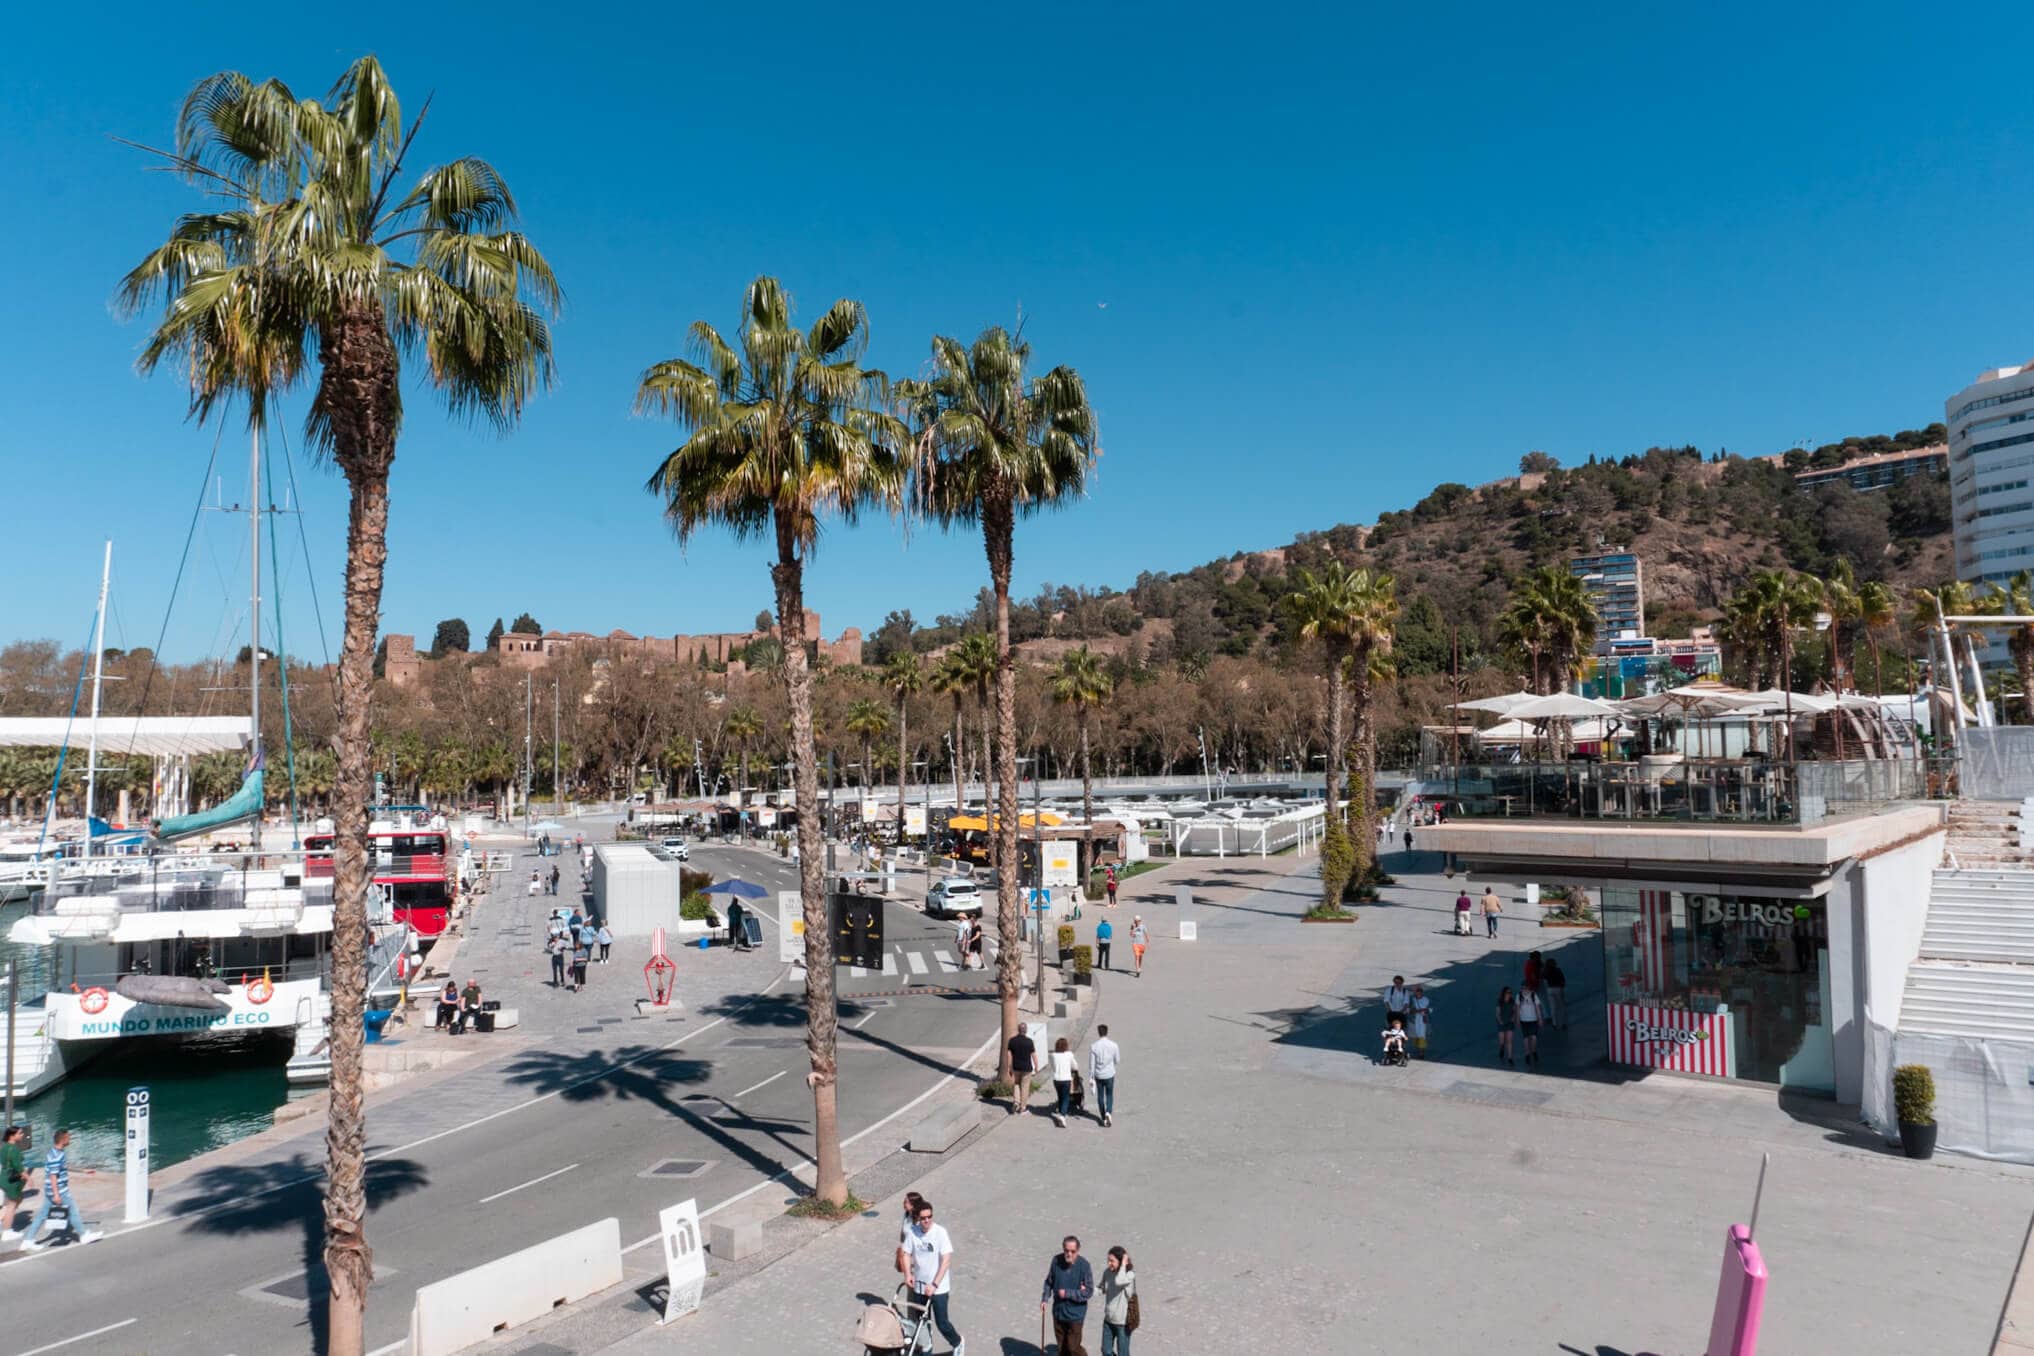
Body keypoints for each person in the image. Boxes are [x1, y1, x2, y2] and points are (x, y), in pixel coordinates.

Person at [899, 1198, 965, 1356]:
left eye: (929, 1217)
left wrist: (934, 1284)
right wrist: (908, 1274)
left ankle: (957, 1342)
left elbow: (946, 1260)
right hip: (920, 1286)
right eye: (923, 1218)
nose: (927, 1220)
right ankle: (926, 1350)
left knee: (942, 1322)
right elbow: (906, 1253)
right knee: (922, 1323)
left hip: (938, 1288)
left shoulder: (940, 1233)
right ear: (918, 1218)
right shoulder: (913, 1232)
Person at [17, 1128, 97, 1251]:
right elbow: (53, 1176)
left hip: (50, 1190)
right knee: (73, 1211)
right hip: (59, 1190)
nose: (70, 1139)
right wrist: (56, 1194)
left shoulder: (54, 1153)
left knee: (42, 1215)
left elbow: (63, 1167)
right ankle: (84, 1235)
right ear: (63, 1139)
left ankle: (27, 1240)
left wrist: (83, 1170)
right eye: (68, 1137)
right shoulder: (57, 1155)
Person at [1042, 1235, 1095, 1356]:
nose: (1069, 1254)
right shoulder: (1056, 1261)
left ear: (1078, 1250)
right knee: (1062, 1348)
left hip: (1075, 1314)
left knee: (1073, 1347)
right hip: (1058, 1312)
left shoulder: (1084, 1266)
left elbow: (1089, 1291)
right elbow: (1049, 1282)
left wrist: (1067, 1293)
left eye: (1073, 1251)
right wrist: (1045, 1299)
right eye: (1066, 1250)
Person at [1099, 1246, 1136, 1356]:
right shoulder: (1107, 1272)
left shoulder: (1129, 1275)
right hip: (1108, 1320)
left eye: (1112, 1261)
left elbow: (1119, 1281)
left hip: (1123, 1323)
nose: (1109, 1263)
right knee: (1106, 1351)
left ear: (1121, 1261)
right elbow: (1102, 1288)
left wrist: (1124, 1265)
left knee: (1123, 1353)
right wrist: (1086, 1290)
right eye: (1108, 1260)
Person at [1089, 1024, 1120, 1127]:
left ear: (1099, 1032)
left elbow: (1091, 1064)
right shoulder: (1114, 1045)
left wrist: (1091, 1076)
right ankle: (1108, 1112)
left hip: (1099, 1075)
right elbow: (1117, 1060)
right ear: (1107, 1032)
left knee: (1100, 1096)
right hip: (1110, 1074)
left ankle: (1103, 1116)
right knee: (1109, 1095)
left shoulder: (1094, 1046)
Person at [2, 1125, 28, 1241]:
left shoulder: (4, 1147)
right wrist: (28, 1178)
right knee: (11, 1206)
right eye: (20, 1133)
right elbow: (18, 1166)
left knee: (18, 1199)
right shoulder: (14, 1149)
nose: (22, 1135)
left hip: (4, 1177)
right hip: (12, 1180)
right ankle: (7, 1232)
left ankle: (4, 1216)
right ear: (12, 1136)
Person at [1007, 1026, 1038, 1117]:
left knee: (1016, 1084)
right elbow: (1033, 1055)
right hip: (1026, 1068)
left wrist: (1009, 1067)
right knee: (1025, 1087)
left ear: (1018, 1030)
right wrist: (1036, 1066)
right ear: (1026, 1031)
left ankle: (1016, 1102)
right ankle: (1023, 1108)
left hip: (1016, 1067)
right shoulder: (1029, 1042)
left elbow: (1009, 1055)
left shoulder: (1012, 1041)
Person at [1049, 1037, 1077, 1128]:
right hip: (1066, 1079)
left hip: (1056, 1079)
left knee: (1060, 1096)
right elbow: (1075, 1066)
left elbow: (1053, 1066)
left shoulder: (1053, 1055)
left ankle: (1061, 1112)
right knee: (1066, 1098)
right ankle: (1062, 1115)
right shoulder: (1069, 1055)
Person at [1516, 984, 1544, 1068]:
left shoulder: (1533, 995)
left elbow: (1537, 1008)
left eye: (1526, 988)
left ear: (1529, 988)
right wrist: (1517, 1019)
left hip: (1533, 1020)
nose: (1524, 990)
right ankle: (1527, 1054)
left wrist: (1540, 1019)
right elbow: (1517, 1008)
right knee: (1525, 1038)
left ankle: (1534, 1050)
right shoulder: (1519, 996)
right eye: (1523, 988)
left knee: (1534, 1037)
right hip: (1523, 1020)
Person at [1496, 986, 1518, 1067]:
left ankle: (1510, 1058)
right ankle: (1501, 1048)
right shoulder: (1500, 1001)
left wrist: (1513, 1018)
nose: (1509, 994)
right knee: (1502, 1041)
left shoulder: (1512, 1001)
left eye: (1510, 993)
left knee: (1509, 1041)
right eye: (1508, 993)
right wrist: (1500, 1020)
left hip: (1509, 1023)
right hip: (1501, 1023)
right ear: (1504, 993)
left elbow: (1514, 1011)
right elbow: (1497, 1013)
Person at [1409, 985, 1432, 1059]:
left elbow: (1430, 1009)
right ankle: (1419, 1050)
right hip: (1414, 1020)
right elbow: (1410, 1010)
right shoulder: (1413, 1000)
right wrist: (1417, 1011)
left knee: (1422, 1035)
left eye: (1420, 991)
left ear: (1422, 992)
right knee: (1415, 1035)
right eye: (1417, 991)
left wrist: (1425, 1011)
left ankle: (1421, 1053)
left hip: (1423, 1020)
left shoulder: (1426, 999)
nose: (1418, 992)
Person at [1545, 956, 1568, 1029]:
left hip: (1550, 989)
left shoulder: (1546, 971)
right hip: (1558, 988)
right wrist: (1562, 986)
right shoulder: (1558, 970)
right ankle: (1563, 1023)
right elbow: (1563, 979)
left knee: (1553, 1007)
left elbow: (1542, 977)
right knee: (1561, 1006)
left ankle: (1554, 1024)